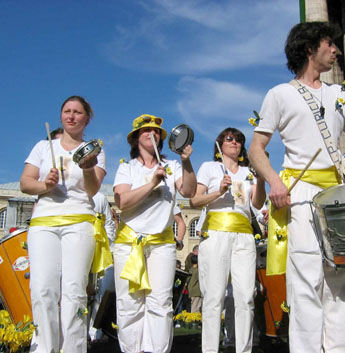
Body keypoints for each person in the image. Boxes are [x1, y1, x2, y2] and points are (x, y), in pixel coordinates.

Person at [248, 22, 345, 353]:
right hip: (301, 195)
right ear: (309, 49)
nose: (335, 49)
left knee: (342, 283)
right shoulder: (279, 94)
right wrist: (275, 181)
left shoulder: (338, 94)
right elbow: (256, 148)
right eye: (329, 44)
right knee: (306, 281)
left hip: (337, 195)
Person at [20, 95, 108, 353]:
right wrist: (44, 185)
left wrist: (89, 168)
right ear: (61, 116)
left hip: (79, 222)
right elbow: (26, 182)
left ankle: (73, 348)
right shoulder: (42, 147)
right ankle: (45, 347)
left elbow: (92, 190)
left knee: (74, 290)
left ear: (86, 118)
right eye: (67, 111)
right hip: (44, 222)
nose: (71, 116)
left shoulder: (95, 150)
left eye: (77, 112)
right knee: (42, 288)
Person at [112, 114, 196, 353]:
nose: (153, 134)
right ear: (136, 138)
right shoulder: (126, 168)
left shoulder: (173, 167)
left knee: (161, 302)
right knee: (130, 303)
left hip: (161, 244)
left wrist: (187, 162)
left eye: (157, 131)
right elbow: (123, 202)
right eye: (146, 130)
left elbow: (189, 191)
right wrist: (152, 183)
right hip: (129, 243)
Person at [190, 127, 266, 353]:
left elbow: (258, 204)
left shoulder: (247, 173)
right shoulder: (210, 167)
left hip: (244, 235)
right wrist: (218, 191)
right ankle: (211, 349)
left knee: (245, 296)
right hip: (216, 232)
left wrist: (260, 180)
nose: (235, 142)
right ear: (220, 144)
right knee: (214, 296)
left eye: (239, 140)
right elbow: (194, 199)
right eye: (230, 139)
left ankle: (243, 349)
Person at [88, 192, 117, 342]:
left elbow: (109, 224)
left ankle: (95, 330)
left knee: (101, 292)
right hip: (78, 248)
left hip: (101, 252)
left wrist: (107, 246)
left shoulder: (99, 198)